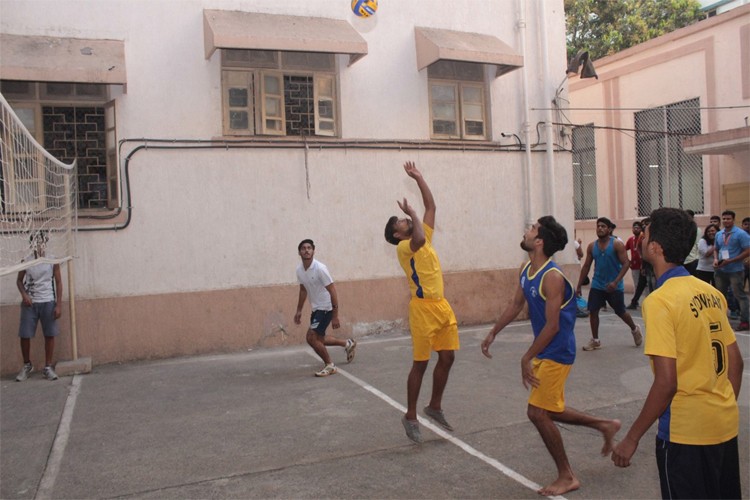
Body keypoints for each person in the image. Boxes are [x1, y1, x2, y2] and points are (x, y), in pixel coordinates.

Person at [482, 216, 621, 496]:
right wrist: (493, 332)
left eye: (532, 229)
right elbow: (515, 304)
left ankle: (567, 476)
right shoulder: (526, 269)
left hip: (558, 351)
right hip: (545, 350)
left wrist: (525, 357)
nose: (526, 230)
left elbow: (553, 325)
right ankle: (605, 425)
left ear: (540, 241)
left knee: (537, 412)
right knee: (551, 409)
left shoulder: (552, 277)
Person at [611, 208, 743, 499]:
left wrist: (631, 438)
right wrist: (720, 408)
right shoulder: (711, 293)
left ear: (655, 247)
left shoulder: (660, 301)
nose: (641, 239)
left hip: (686, 433)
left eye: (644, 235)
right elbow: (737, 362)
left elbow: (667, 381)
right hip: (723, 424)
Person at [384, 161, 459, 444]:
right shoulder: (406, 246)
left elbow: (432, 207)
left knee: (448, 356)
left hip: (441, 305)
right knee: (421, 363)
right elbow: (417, 233)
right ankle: (411, 415)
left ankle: (435, 406)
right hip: (422, 309)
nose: (405, 220)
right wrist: (412, 213)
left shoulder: (422, 237)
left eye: (404, 218)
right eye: (400, 221)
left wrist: (419, 178)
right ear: (396, 233)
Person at [576, 217, 642, 351]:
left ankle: (634, 329)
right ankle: (595, 340)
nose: (600, 228)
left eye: (603, 226)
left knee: (620, 311)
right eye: (598, 226)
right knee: (593, 311)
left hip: (614, 286)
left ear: (609, 229)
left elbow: (626, 263)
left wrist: (616, 282)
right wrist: (578, 285)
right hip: (597, 284)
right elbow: (586, 266)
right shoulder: (592, 246)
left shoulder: (617, 244)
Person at [294, 239, 356, 377]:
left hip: (326, 308)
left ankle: (329, 365)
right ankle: (347, 343)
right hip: (316, 308)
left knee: (311, 337)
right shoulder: (299, 270)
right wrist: (299, 310)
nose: (306, 250)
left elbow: (332, 290)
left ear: (313, 251)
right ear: (299, 252)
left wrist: (335, 315)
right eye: (303, 248)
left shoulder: (320, 268)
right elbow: (303, 290)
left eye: (309, 248)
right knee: (319, 339)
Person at [15, 231, 62, 382]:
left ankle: (48, 367)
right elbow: (19, 281)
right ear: (32, 244)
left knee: (49, 334)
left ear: (45, 243)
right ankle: (27, 365)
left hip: (48, 300)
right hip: (31, 303)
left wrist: (58, 304)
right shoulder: (27, 261)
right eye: (36, 242)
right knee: (25, 334)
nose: (39, 245)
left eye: (41, 242)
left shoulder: (52, 260)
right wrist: (24, 295)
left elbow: (59, 283)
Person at [713, 210, 750, 331]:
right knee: (720, 296)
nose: (725, 221)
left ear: (733, 220)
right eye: (724, 219)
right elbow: (716, 248)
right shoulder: (719, 234)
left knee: (739, 295)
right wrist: (715, 259)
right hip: (721, 270)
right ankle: (722, 320)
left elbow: (747, 251)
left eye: (728, 219)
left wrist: (733, 260)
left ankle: (744, 321)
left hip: (735, 270)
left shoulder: (741, 234)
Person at [625, 221, 646, 309]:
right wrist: (628, 261)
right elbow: (624, 250)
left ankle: (645, 302)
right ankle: (635, 302)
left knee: (647, 285)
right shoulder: (630, 239)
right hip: (634, 266)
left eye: (638, 228)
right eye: (634, 228)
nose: (636, 229)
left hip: (645, 266)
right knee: (637, 284)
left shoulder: (643, 238)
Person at [682, 210, 701, 274]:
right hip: (682, 260)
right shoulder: (680, 229)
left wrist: (697, 258)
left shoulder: (697, 230)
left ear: (692, 217)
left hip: (692, 260)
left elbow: (698, 244)